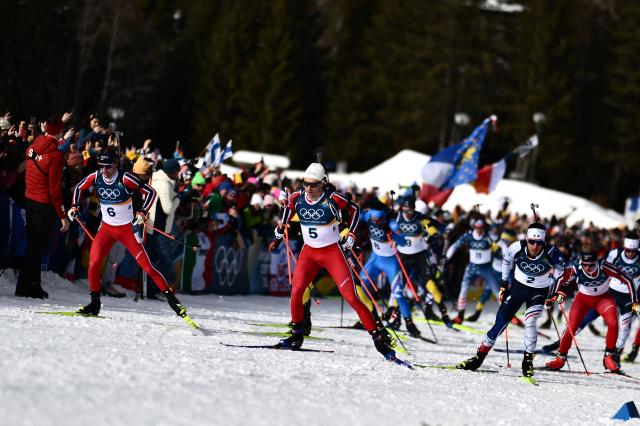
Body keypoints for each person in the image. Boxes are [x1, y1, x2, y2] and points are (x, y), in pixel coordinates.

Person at [268, 163, 397, 360]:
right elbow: (288, 211)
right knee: (296, 290)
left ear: (323, 183)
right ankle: (296, 335)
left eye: (313, 185)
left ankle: (378, 337)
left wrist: (352, 234)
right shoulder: (297, 197)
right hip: (309, 253)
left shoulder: (333, 199)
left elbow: (354, 210)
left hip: (332, 252)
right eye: (306, 184)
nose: (309, 189)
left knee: (351, 296)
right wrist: (278, 235)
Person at [67, 148, 188, 318]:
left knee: (148, 267)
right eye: (101, 166)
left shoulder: (125, 178)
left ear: (115, 164)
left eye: (108, 166)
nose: (104, 170)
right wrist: (74, 206)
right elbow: (80, 187)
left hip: (127, 231)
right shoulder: (97, 176)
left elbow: (151, 193)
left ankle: (172, 300)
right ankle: (94, 303)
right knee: (94, 264)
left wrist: (143, 212)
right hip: (107, 229)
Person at [457, 222, 565, 378]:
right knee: (500, 323)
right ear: (527, 239)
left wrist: (558, 290)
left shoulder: (552, 252)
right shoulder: (516, 247)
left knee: (530, 321)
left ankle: (527, 361)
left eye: (539, 243)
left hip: (538, 291)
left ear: (544, 242)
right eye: (531, 242)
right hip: (517, 288)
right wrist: (504, 283)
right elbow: (506, 261)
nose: (535, 246)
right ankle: (478, 357)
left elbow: (564, 272)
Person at [541, 232, 640, 356]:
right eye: (628, 250)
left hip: (629, 295)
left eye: (633, 251)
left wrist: (636, 301)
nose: (630, 253)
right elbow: (600, 270)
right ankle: (559, 343)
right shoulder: (615, 254)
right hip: (610, 292)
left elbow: (625, 278)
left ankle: (619, 352)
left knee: (625, 324)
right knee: (582, 320)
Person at [16, 115, 71, 298]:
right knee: (37, 249)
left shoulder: (33, 147)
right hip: (43, 205)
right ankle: (27, 287)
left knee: (33, 246)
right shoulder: (55, 156)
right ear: (59, 133)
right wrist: (63, 215)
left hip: (29, 200)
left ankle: (31, 285)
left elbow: (47, 138)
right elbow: (54, 190)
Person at [445, 215, 498, 324]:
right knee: (463, 290)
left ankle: (509, 315)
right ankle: (460, 315)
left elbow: (498, 241)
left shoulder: (487, 236)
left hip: (486, 267)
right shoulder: (468, 236)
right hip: (472, 266)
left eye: (481, 228)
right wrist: (447, 257)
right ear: (474, 227)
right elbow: (456, 245)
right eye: (477, 228)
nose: (479, 230)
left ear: (483, 227)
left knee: (497, 291)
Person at [145, 158, 181, 299]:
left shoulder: (163, 181)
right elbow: (168, 209)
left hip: (156, 229)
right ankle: (158, 289)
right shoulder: (164, 184)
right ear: (172, 171)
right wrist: (178, 199)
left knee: (154, 261)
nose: (179, 174)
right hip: (158, 230)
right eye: (177, 171)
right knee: (166, 260)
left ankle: (152, 290)